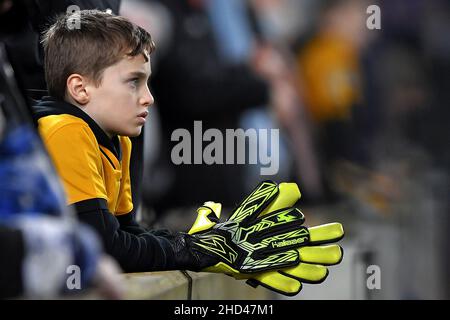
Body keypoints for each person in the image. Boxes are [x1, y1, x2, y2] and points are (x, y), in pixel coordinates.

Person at [32, 10, 345, 296]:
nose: (149, 99)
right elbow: (107, 247)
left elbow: (128, 232)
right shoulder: (65, 132)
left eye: (148, 82)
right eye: (133, 83)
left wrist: (207, 242)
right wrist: (198, 252)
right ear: (80, 88)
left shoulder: (118, 138)